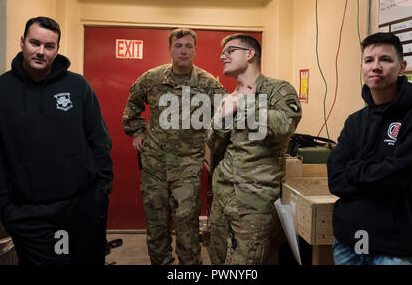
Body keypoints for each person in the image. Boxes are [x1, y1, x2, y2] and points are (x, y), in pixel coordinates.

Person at [0, 17, 113, 265]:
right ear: (22, 42)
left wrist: (103, 189)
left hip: (83, 206)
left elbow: (98, 139)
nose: (40, 51)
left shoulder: (77, 85)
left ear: (57, 49)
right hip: (28, 212)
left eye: (49, 46)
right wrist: (5, 205)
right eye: (35, 43)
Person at [327, 32, 412, 265]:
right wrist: (380, 171)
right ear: (362, 67)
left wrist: (355, 169)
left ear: (402, 66)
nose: (376, 66)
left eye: (385, 59)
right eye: (369, 60)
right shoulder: (355, 120)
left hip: (399, 250)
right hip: (351, 244)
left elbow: (404, 177)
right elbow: (335, 178)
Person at [122, 28, 227, 265]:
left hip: (187, 169)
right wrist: (137, 131)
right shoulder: (152, 78)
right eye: (178, 46)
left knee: (187, 229)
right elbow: (132, 107)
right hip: (154, 168)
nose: (183, 50)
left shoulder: (208, 83)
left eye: (188, 46)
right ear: (170, 49)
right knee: (156, 229)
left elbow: (226, 117)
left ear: (195, 50)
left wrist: (212, 147)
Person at [206, 33, 302, 264]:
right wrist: (221, 118)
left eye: (230, 50)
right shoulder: (228, 99)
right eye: (222, 52)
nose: (223, 56)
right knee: (218, 260)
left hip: (254, 204)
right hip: (221, 199)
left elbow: (285, 125)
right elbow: (212, 147)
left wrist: (245, 106)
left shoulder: (278, 90)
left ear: (250, 54)